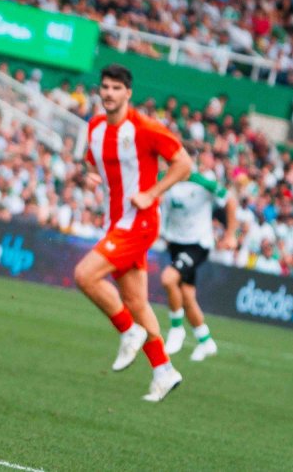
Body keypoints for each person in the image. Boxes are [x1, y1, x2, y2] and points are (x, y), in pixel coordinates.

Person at [74, 64, 192, 402]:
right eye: (105, 87)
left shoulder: (144, 127)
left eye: (116, 88)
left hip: (139, 223)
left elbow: (184, 164)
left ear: (128, 93)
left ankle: (128, 330)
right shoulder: (95, 127)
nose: (108, 93)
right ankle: (164, 371)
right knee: (137, 302)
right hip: (116, 222)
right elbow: (92, 161)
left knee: (85, 275)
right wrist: (92, 176)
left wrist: (152, 193)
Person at [159, 154, 239, 360]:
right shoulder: (166, 180)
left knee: (169, 279)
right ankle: (206, 341)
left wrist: (230, 234)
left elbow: (230, 201)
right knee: (186, 296)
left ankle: (176, 329)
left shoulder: (203, 183)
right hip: (176, 243)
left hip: (197, 245)